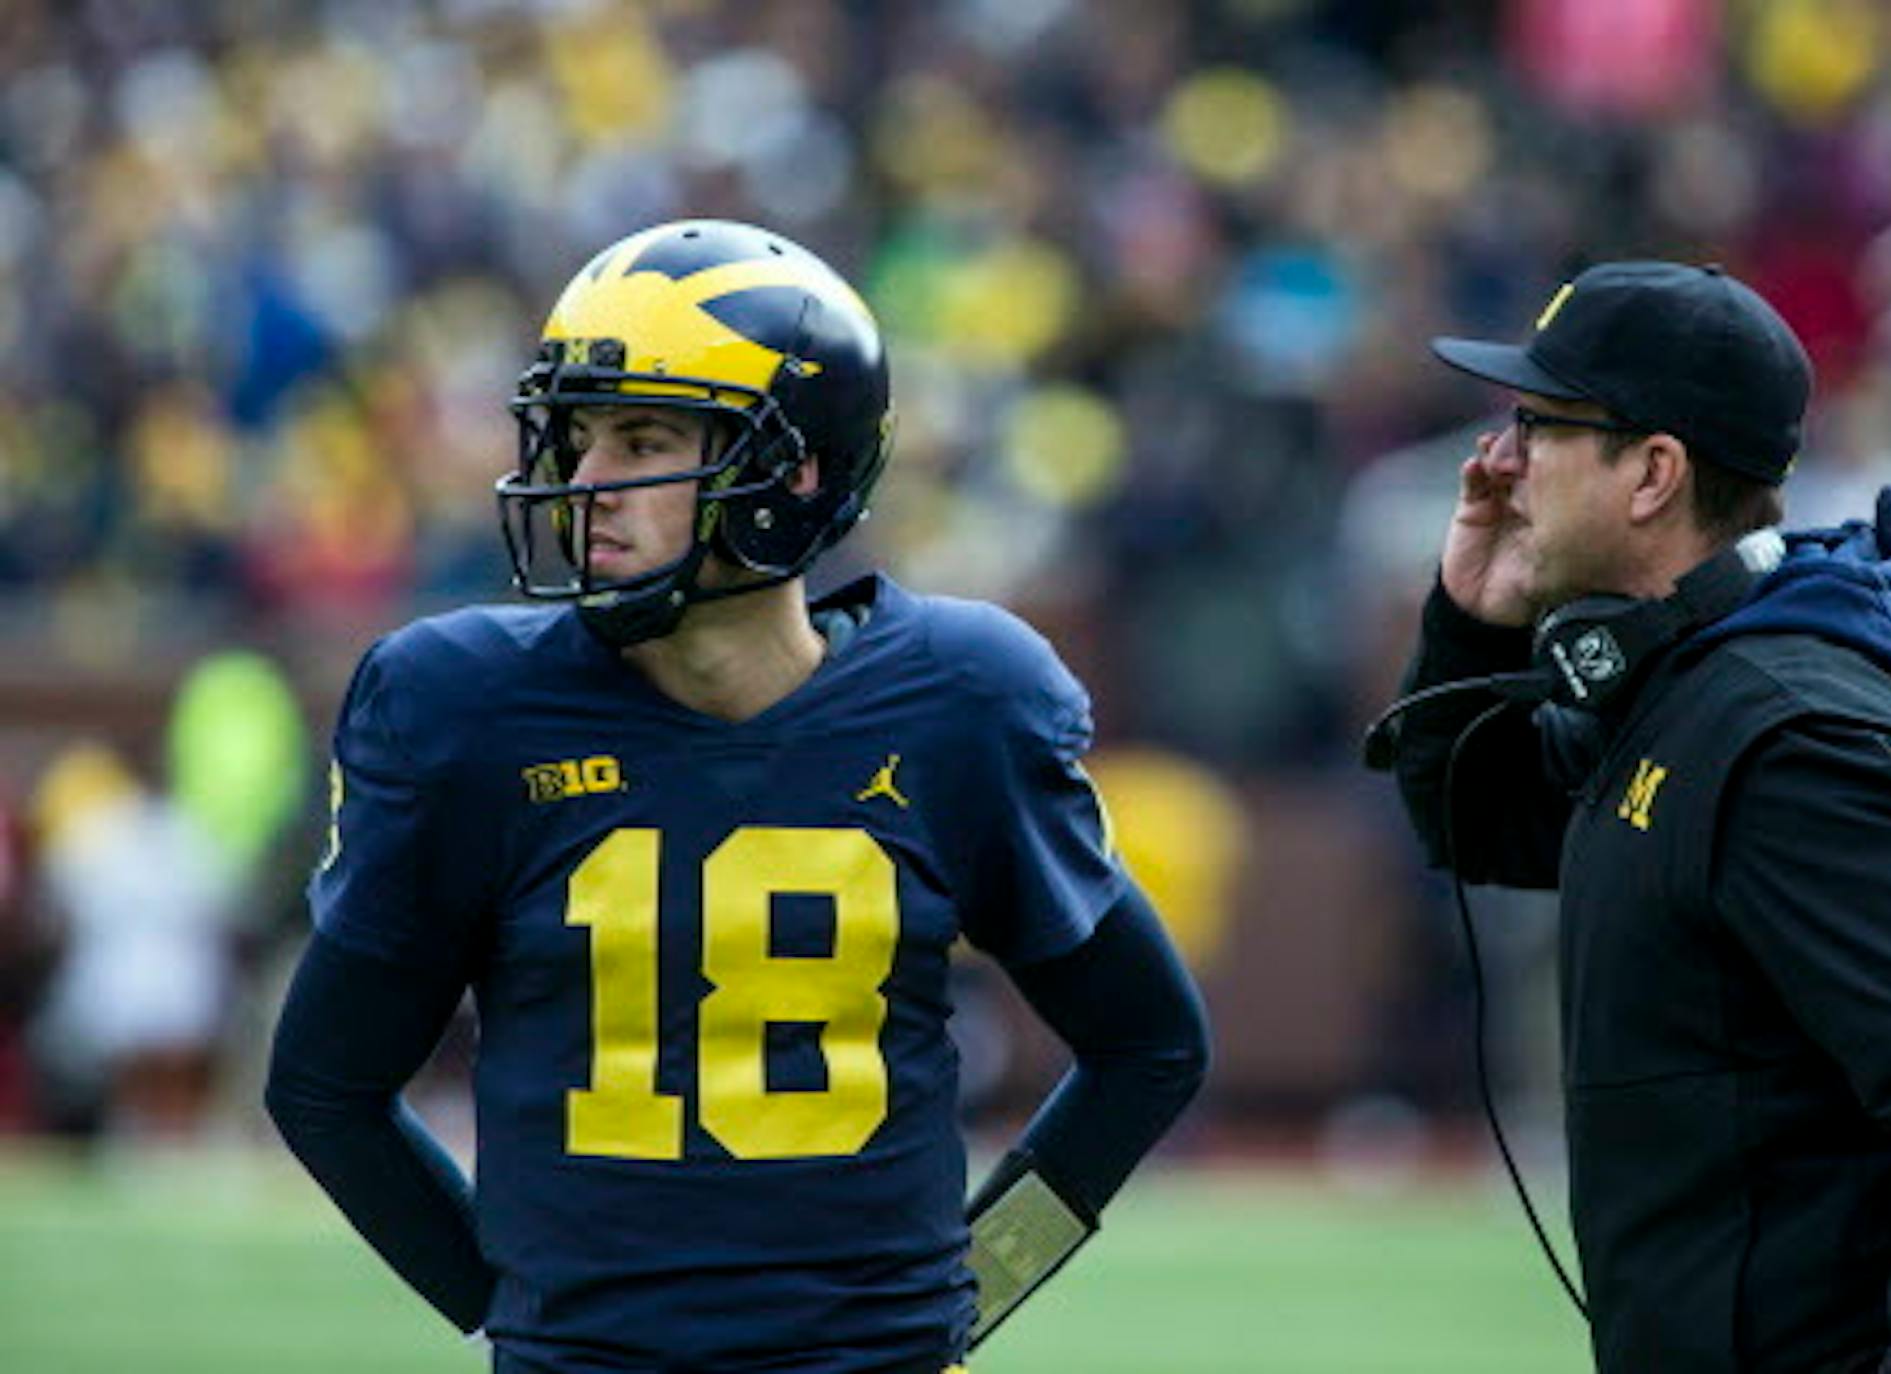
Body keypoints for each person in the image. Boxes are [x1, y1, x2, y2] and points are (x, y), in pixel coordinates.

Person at [265, 220, 1209, 1374]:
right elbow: (323, 1086)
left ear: (793, 471)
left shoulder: (964, 699)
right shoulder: (465, 707)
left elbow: (1150, 1046)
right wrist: (517, 1315)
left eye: (643, 439)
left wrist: (978, 1287)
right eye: (577, 437)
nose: (586, 484)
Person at [1369, 262, 1891, 1373]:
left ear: (1653, 473)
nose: (1500, 462)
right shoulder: (1685, 686)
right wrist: (1475, 624)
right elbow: (1482, 828)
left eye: (1540, 424)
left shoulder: (1793, 743)